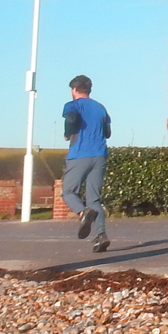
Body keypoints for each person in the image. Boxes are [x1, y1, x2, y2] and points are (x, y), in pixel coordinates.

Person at [61, 75, 112, 253]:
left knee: (68, 192)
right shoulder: (100, 108)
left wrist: (68, 134)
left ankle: (83, 213)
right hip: (100, 155)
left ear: (74, 89)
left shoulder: (72, 105)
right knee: (94, 199)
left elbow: (71, 119)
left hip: (80, 154)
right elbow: (108, 132)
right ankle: (101, 235)